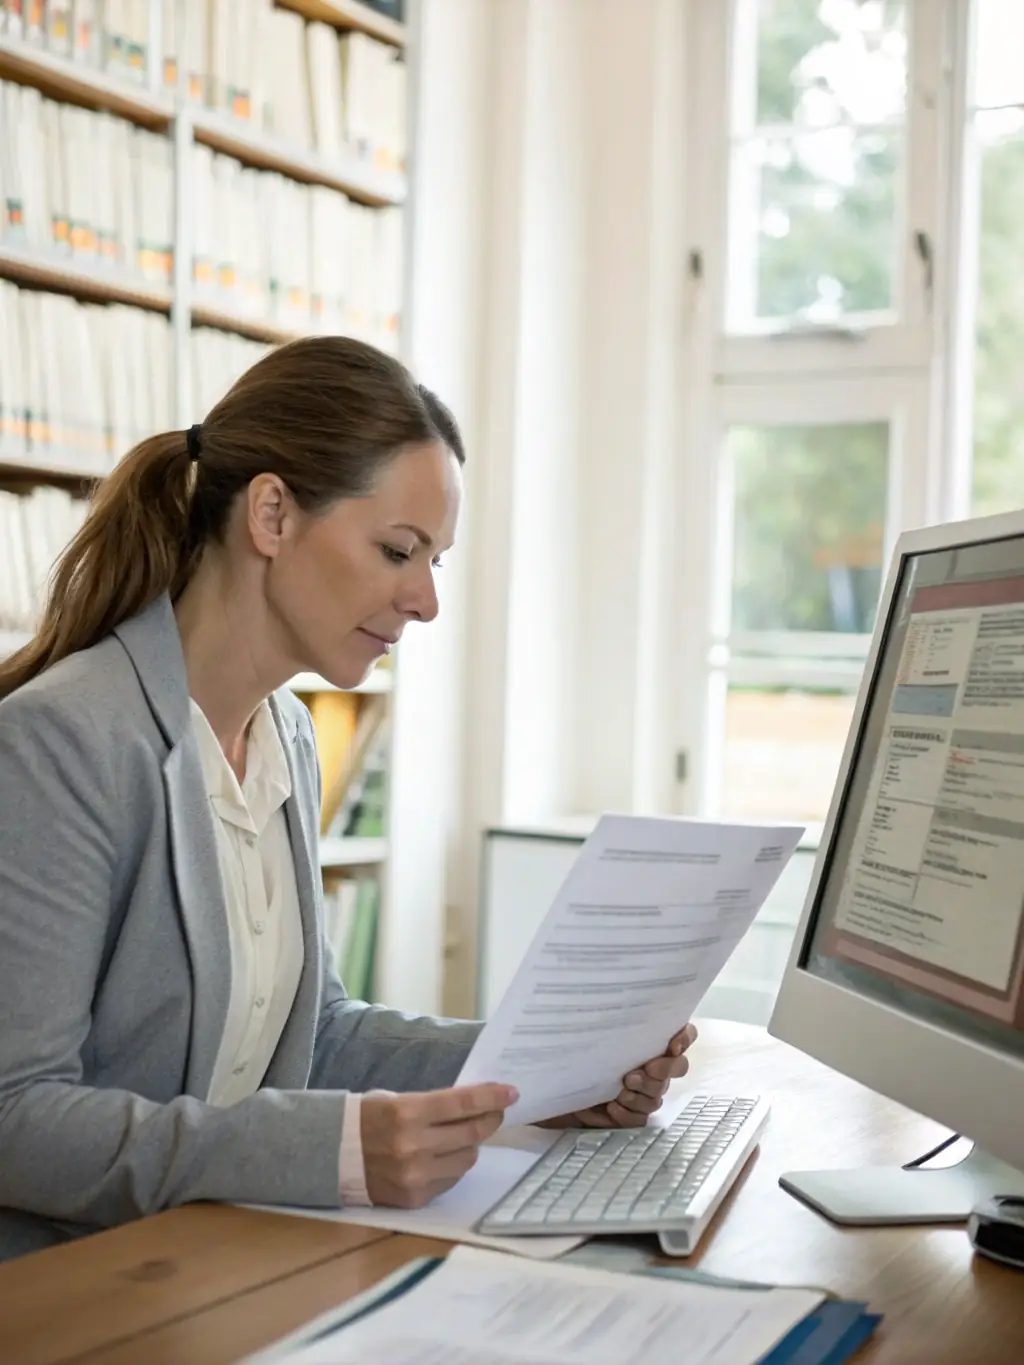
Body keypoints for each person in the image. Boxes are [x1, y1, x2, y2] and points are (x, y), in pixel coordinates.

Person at [0, 337, 697, 1262]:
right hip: (75, 1286)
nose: (425, 602)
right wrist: (326, 1148)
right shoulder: (62, 741)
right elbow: (15, 1116)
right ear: (273, 514)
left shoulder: (288, 735)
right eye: (398, 550)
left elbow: (313, 1033)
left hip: (214, 1260)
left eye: (434, 561)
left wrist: (546, 1074)